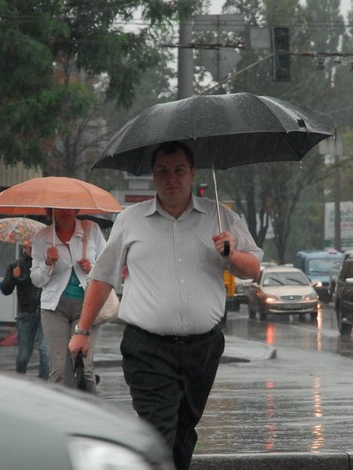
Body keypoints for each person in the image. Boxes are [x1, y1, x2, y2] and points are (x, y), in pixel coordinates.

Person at [69, 141, 263, 470]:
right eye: (162, 172)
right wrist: (82, 331)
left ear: (192, 174)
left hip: (203, 349)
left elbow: (253, 269)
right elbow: (102, 278)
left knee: (184, 432)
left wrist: (231, 253)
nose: (170, 179)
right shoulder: (131, 220)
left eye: (178, 171)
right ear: (153, 176)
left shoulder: (220, 218)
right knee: (158, 431)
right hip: (147, 348)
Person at [30, 208, 106, 391]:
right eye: (60, 208)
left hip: (86, 307)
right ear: (51, 212)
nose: (65, 212)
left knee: (84, 367)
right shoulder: (42, 237)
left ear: (76, 209)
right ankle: (62, 415)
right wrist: (48, 263)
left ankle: (92, 414)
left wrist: (91, 268)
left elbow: (108, 266)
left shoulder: (91, 230)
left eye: (69, 207)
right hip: (54, 309)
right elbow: (36, 280)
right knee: (59, 371)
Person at [1, 240, 49, 378]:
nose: (33, 249)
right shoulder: (16, 265)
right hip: (26, 314)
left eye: (36, 245)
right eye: (30, 246)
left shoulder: (44, 264)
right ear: (24, 246)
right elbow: (5, 290)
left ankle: (43, 384)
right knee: (24, 354)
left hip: (44, 313)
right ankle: (19, 379)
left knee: (45, 350)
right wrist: (14, 278)